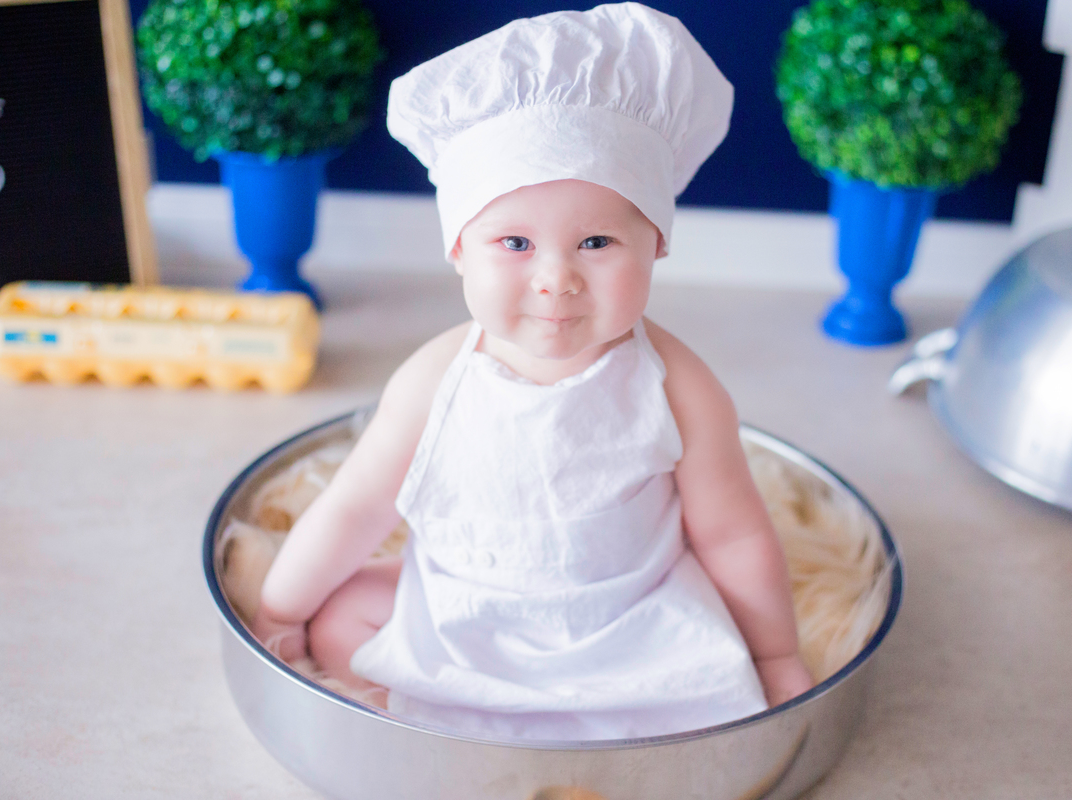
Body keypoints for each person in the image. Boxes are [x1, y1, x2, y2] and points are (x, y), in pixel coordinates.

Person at [251, 2, 813, 740]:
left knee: (708, 674)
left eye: (598, 242)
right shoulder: (435, 380)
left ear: (657, 246)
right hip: (462, 610)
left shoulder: (679, 386)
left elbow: (734, 535)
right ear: (457, 248)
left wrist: (775, 654)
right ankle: (408, 711)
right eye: (514, 242)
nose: (556, 279)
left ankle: (554, 721)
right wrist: (279, 610)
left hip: (626, 618)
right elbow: (356, 507)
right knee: (342, 616)